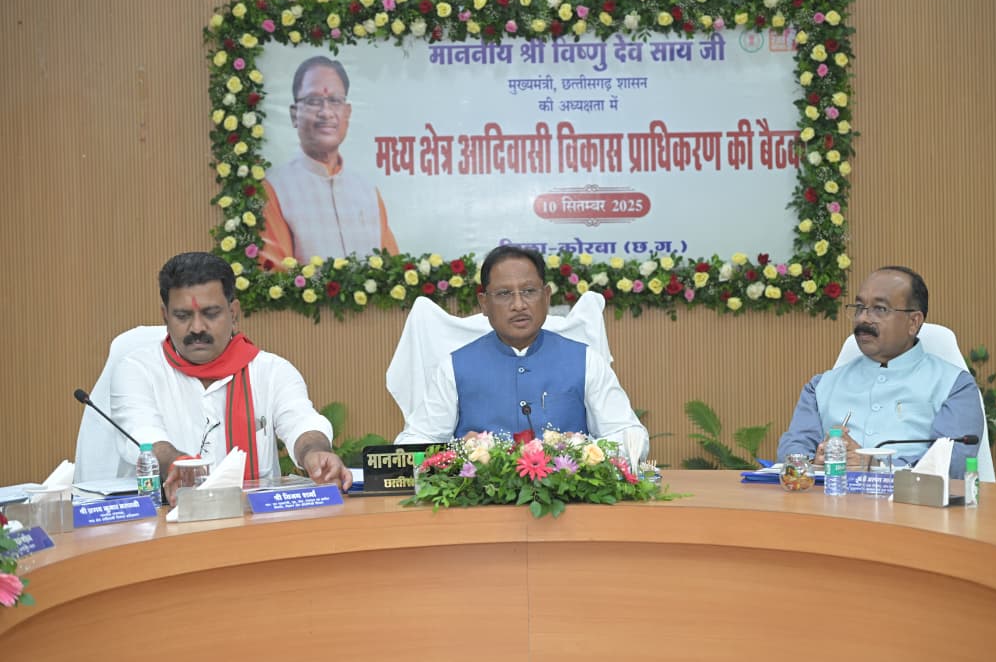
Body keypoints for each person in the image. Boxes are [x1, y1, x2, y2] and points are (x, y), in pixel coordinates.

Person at [111, 252, 352, 499]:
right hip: (167, 512)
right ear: (165, 316)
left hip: (257, 517)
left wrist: (315, 452)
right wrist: (176, 464)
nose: (197, 328)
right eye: (182, 316)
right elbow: (144, 436)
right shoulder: (136, 370)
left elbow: (301, 422)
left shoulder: (272, 371)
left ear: (234, 313)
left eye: (211, 313)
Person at [395, 245, 649, 459]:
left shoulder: (585, 360)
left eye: (529, 292)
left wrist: (583, 450)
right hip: (479, 500)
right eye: (504, 294)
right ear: (484, 303)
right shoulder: (453, 367)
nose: (518, 305)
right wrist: (459, 451)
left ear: (546, 296)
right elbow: (413, 443)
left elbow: (633, 438)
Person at [777, 266, 983, 479]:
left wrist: (876, 466)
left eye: (880, 309)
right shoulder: (820, 386)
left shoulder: (955, 386)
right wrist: (814, 463)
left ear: (913, 322)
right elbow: (792, 450)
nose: (863, 319)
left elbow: (952, 463)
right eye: (859, 307)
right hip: (829, 497)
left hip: (911, 500)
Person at [258, 55, 398, 266]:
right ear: (294, 115)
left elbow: (392, 269)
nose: (326, 112)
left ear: (347, 113)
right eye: (313, 101)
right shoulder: (274, 189)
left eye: (334, 101)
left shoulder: (367, 192)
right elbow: (276, 276)